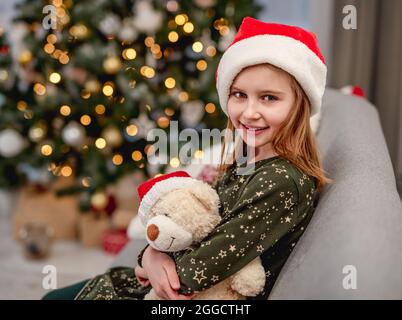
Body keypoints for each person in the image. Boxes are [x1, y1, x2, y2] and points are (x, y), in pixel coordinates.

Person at [43, 16, 332, 300]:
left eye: (269, 97)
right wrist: (152, 253)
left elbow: (198, 270)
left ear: (300, 105)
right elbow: (197, 226)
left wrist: (152, 259)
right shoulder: (247, 158)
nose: (249, 112)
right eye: (239, 95)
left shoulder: (281, 181)